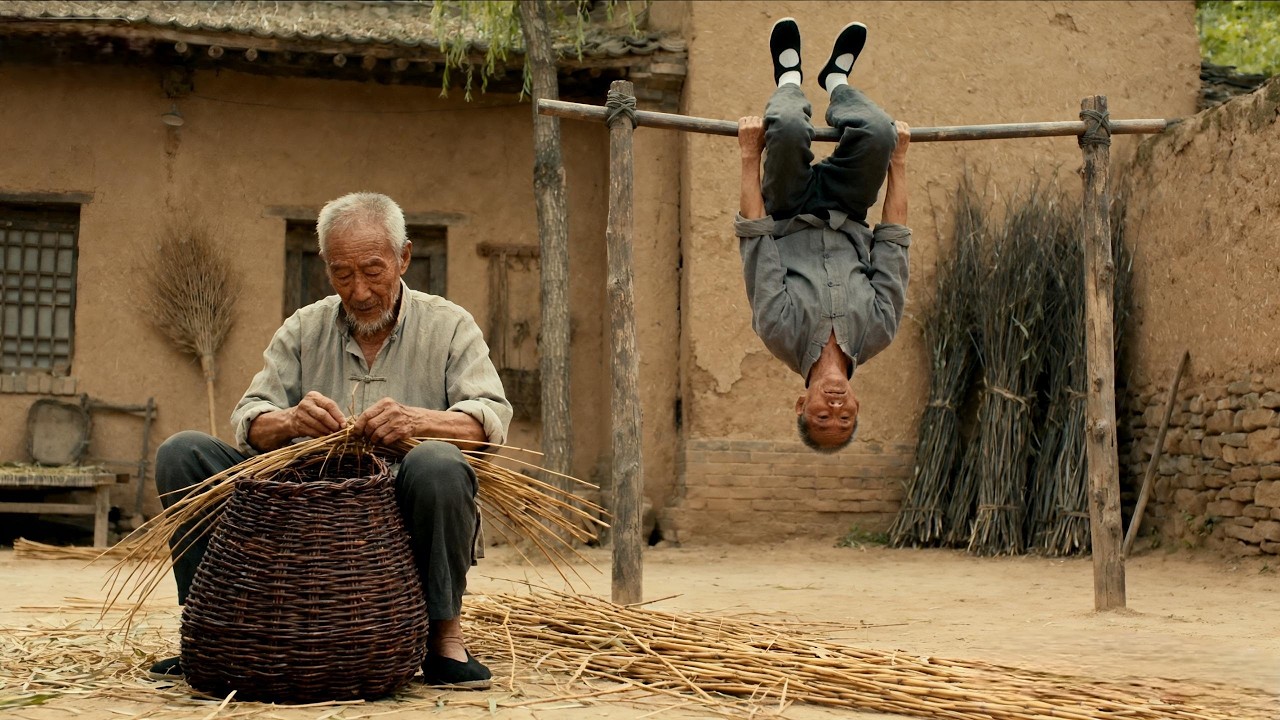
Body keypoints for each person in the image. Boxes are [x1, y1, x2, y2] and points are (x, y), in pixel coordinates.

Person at [149, 192, 512, 690]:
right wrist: (292, 421)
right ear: (326, 268)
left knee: (440, 465)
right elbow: (250, 419)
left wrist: (418, 423)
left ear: (404, 257)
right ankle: (210, 629)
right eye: (343, 274)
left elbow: (487, 419)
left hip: (401, 503)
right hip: (306, 512)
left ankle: (444, 638)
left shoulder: (449, 325)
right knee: (182, 453)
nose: (359, 290)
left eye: (373, 269)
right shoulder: (304, 327)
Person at [736, 18, 912, 453]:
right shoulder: (879, 331)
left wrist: (747, 156)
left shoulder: (778, 332)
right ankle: (836, 80)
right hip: (848, 208)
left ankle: (789, 76)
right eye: (843, 415)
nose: (834, 407)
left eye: (821, 416)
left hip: (788, 205)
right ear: (857, 403)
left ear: (800, 403)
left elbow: (756, 238)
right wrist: (899, 163)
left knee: (788, 125)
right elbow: (893, 241)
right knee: (879, 132)